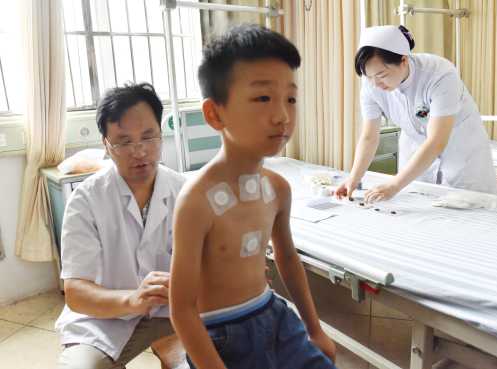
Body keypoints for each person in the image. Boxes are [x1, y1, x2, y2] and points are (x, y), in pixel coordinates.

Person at [169, 24, 338, 369]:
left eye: (290, 98)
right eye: (263, 98)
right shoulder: (196, 202)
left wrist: (314, 329)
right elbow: (181, 308)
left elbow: (289, 260)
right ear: (215, 113)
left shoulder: (277, 189)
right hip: (221, 334)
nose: (282, 115)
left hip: (273, 315)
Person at [55, 83, 186, 369]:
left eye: (149, 137)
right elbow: (76, 291)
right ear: (106, 144)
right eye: (124, 142)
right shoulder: (86, 200)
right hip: (105, 316)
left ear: (161, 135)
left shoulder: (186, 192)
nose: (139, 151)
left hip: (177, 312)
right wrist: (132, 300)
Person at [335, 25, 497, 203]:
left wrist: (394, 184)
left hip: (461, 152)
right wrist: (354, 178)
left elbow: (436, 141)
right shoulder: (371, 85)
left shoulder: (440, 75)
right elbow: (369, 137)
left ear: (404, 60)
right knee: (418, 209)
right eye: (368, 76)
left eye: (382, 75)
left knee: (474, 213)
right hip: (416, 152)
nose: (375, 84)